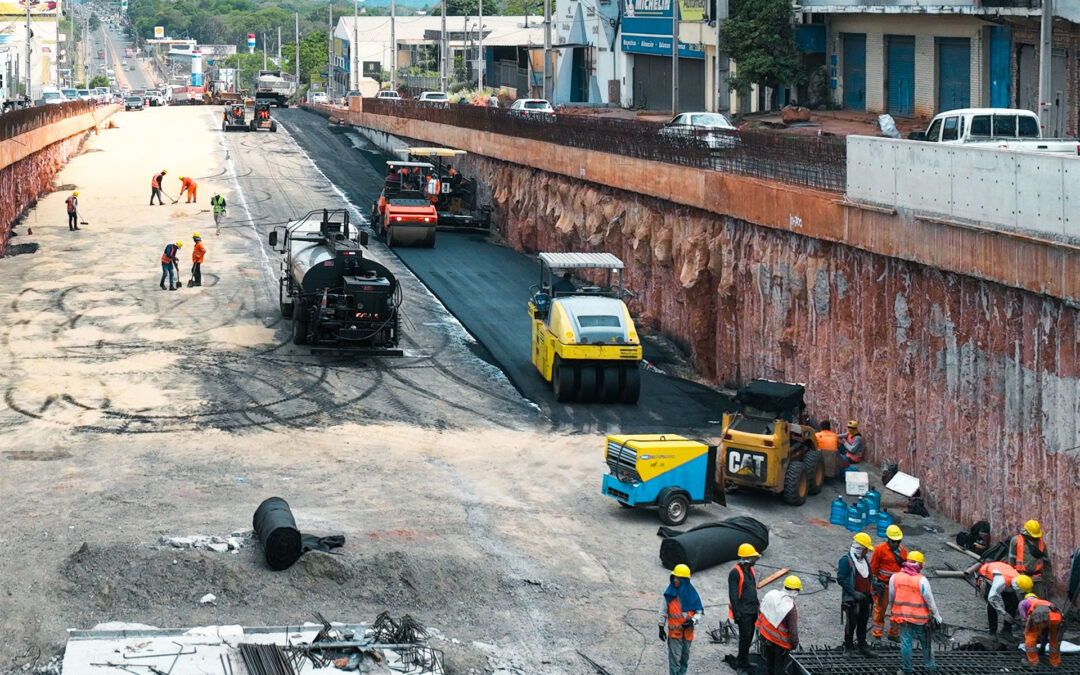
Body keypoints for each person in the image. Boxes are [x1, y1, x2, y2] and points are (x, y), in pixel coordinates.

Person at [888, 551, 942, 675]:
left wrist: (894, 611)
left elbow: (891, 597)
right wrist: (937, 616)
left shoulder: (894, 578)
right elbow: (930, 600)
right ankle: (930, 667)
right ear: (920, 565)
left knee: (906, 644)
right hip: (921, 620)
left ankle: (907, 670)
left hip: (903, 618)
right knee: (926, 644)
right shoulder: (922, 580)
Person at [658, 564, 703, 675]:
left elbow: (698, 611)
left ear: (684, 580)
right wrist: (661, 627)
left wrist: (692, 620)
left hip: (688, 633)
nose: (675, 580)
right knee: (675, 661)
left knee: (684, 659)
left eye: (678, 578)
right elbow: (663, 611)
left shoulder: (692, 594)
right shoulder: (669, 594)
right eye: (674, 577)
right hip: (675, 634)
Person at [838, 532, 877, 656]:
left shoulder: (864, 560)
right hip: (852, 600)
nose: (867, 552)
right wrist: (854, 593)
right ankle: (848, 646)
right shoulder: (846, 561)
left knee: (863, 622)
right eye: (866, 549)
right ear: (861, 549)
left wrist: (874, 586)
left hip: (865, 597)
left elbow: (868, 576)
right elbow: (841, 579)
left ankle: (862, 645)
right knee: (851, 624)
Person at [757, 575, 801, 675]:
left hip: (766, 637)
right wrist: (794, 644)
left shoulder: (772, 594)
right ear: (796, 590)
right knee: (779, 669)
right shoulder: (790, 608)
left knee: (769, 664)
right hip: (780, 644)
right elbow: (793, 630)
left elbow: (762, 611)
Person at [870, 524, 907, 642]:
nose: (896, 544)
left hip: (897, 585)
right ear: (888, 540)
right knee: (880, 610)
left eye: (898, 541)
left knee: (897, 611)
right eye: (893, 541)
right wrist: (874, 581)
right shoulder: (880, 550)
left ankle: (894, 633)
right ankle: (877, 633)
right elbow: (873, 567)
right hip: (883, 585)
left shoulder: (903, 552)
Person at [728, 543, 761, 674]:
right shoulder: (735, 573)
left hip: (752, 610)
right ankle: (741, 664)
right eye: (753, 558)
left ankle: (744, 660)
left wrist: (757, 604)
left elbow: (752, 589)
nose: (755, 560)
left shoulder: (750, 570)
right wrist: (737, 614)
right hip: (743, 612)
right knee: (744, 637)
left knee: (749, 636)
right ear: (747, 558)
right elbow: (733, 595)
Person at [977, 561, 1031, 637]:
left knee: (1013, 602)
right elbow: (992, 599)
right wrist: (1004, 614)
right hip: (988, 575)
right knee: (992, 606)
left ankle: (1006, 629)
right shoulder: (1000, 582)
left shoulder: (1019, 579)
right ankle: (992, 631)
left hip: (1002, 571)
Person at [1019, 592, 1063, 668]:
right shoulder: (1043, 602)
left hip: (1041, 615)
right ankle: (1055, 662)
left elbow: (1024, 620)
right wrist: (1042, 646)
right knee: (1054, 640)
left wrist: (1025, 625)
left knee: (1030, 635)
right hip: (1056, 618)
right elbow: (1045, 629)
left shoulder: (1024, 602)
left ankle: (1033, 662)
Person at [1010, 519, 1052, 598]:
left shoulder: (1042, 544)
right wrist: (1012, 578)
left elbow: (1047, 563)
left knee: (1039, 602)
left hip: (1037, 579)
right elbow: (1011, 559)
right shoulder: (1016, 541)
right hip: (1022, 578)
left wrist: (1049, 579)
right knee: (1023, 604)